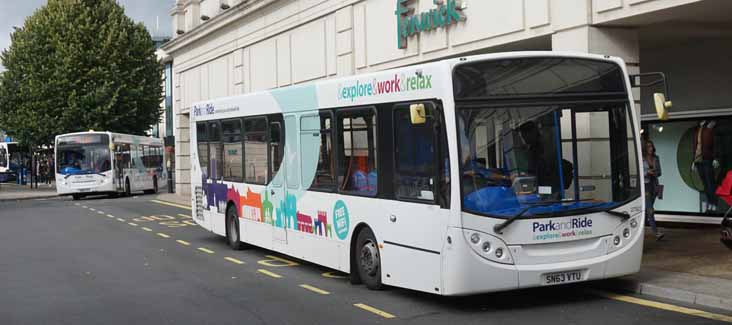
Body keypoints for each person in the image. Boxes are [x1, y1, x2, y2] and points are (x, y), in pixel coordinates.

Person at [643, 139, 664, 241]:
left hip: (654, 185)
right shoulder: (641, 158)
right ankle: (656, 233)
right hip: (646, 185)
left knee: (647, 211)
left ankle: (639, 230)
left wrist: (654, 172)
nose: (650, 149)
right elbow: (639, 173)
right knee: (650, 210)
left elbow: (660, 172)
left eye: (651, 146)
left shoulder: (656, 158)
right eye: (648, 147)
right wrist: (647, 173)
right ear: (645, 148)